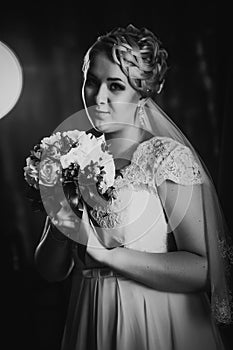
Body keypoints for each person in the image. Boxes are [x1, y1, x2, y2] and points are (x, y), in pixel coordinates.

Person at [34, 24, 233, 350]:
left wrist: (107, 255)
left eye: (116, 86)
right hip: (90, 312)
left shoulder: (164, 157)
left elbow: (203, 269)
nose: (99, 97)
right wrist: (62, 219)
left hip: (153, 315)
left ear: (141, 93)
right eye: (92, 82)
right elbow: (50, 271)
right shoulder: (73, 159)